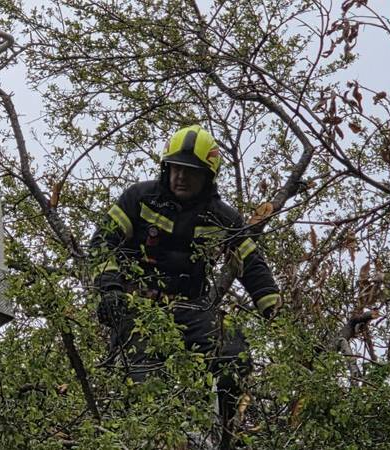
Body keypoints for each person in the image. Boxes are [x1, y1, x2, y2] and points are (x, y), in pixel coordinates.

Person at [89, 124, 281, 448]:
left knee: (234, 354)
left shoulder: (222, 217)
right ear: (166, 168)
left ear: (208, 176)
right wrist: (110, 289)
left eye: (191, 171)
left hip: (192, 309)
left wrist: (273, 309)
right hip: (140, 310)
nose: (181, 176)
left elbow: (252, 264)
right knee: (147, 386)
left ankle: (228, 436)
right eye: (176, 168)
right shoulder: (139, 198)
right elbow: (100, 244)